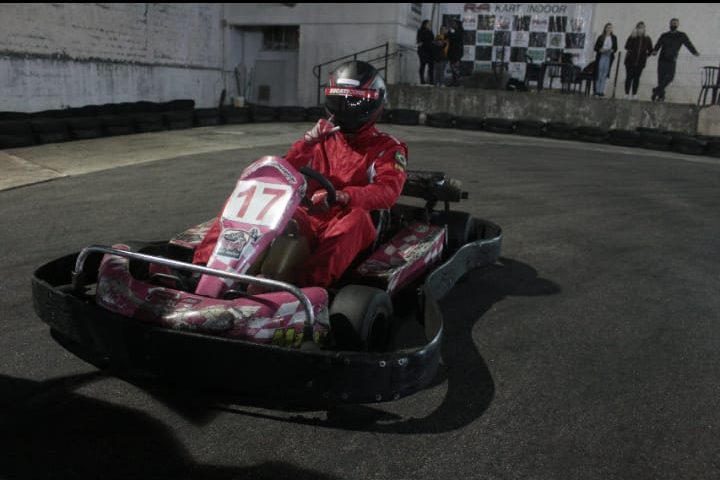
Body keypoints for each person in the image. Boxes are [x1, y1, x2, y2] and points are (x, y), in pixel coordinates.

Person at [192, 61, 408, 289]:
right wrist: (307, 143)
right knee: (249, 199)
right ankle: (206, 270)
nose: (346, 108)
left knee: (356, 219)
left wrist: (345, 196)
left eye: (354, 101)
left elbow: (387, 192)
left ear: (374, 102)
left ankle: (307, 291)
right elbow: (283, 171)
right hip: (308, 213)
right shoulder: (323, 136)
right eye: (340, 100)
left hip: (345, 218)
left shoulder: (387, 148)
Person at [651, 18, 700, 102]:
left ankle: (657, 90)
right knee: (661, 79)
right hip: (662, 59)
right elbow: (658, 44)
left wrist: (694, 52)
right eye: (672, 23)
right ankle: (661, 97)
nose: (673, 25)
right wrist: (655, 51)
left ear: (678, 25)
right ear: (669, 24)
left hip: (672, 60)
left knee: (670, 77)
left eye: (675, 23)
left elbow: (688, 44)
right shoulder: (664, 35)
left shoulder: (681, 35)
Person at [623, 21, 653, 100]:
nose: (640, 29)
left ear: (644, 29)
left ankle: (634, 94)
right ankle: (626, 93)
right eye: (639, 28)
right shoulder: (632, 37)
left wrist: (646, 56)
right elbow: (626, 47)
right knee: (629, 77)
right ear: (636, 28)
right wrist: (632, 36)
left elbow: (650, 49)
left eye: (642, 28)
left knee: (637, 78)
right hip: (630, 61)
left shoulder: (647, 38)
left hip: (640, 62)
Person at [592, 23, 618, 97]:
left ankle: (601, 91)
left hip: (608, 56)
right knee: (599, 73)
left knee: (605, 74)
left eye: (610, 28)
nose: (609, 29)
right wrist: (600, 49)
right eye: (607, 27)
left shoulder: (614, 38)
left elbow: (615, 48)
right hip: (601, 56)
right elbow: (596, 48)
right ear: (605, 28)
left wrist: (612, 50)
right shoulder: (601, 37)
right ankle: (597, 91)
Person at [416, 19, 435, 85]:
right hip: (423, 51)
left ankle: (431, 81)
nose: (430, 25)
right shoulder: (421, 31)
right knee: (423, 65)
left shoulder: (430, 31)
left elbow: (432, 40)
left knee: (431, 66)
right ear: (425, 24)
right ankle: (422, 80)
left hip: (430, 51)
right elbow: (420, 41)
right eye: (428, 24)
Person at [447, 19, 464, 86]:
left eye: (454, 24)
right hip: (452, 53)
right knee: (453, 68)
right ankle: (454, 81)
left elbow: (455, 38)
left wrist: (449, 32)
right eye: (452, 23)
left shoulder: (459, 31)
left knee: (456, 68)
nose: (452, 25)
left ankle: (458, 82)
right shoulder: (454, 31)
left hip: (456, 53)